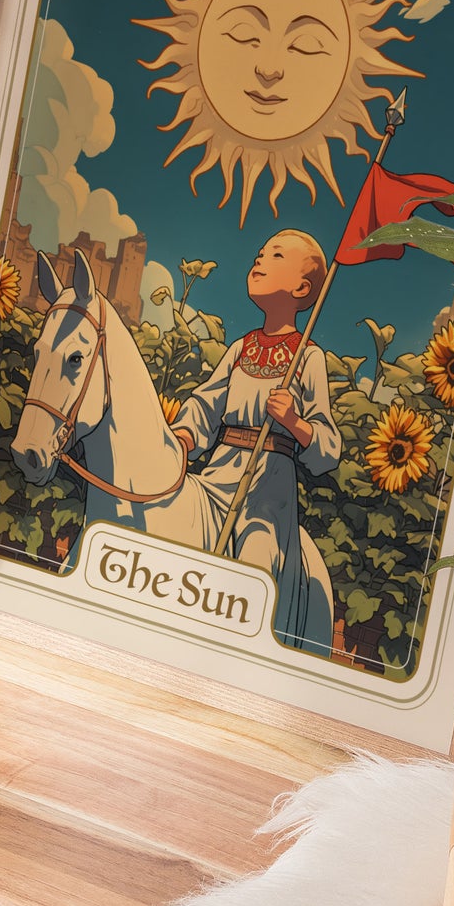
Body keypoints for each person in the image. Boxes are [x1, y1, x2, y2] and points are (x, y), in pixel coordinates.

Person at [171, 229, 340, 652]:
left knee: (255, 564)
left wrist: (295, 422)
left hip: (267, 492)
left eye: (276, 256)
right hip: (217, 475)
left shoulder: (309, 357)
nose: (259, 260)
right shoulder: (241, 348)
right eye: (260, 253)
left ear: (302, 288)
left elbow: (328, 448)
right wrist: (184, 436)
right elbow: (206, 404)